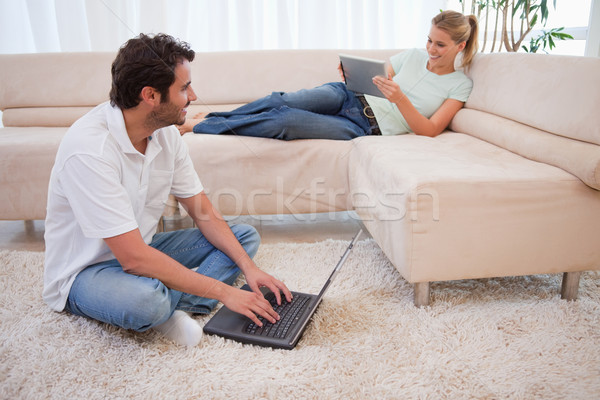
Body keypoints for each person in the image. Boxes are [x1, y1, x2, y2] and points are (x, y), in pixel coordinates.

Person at [42, 33, 292, 347]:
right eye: (184, 88)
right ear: (151, 95)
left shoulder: (164, 134)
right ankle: (165, 310)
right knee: (147, 301)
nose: (194, 96)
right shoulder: (90, 150)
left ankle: (169, 306)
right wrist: (225, 292)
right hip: (86, 271)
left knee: (243, 238)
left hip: (143, 248)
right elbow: (133, 259)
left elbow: (203, 212)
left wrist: (250, 269)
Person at [178, 10, 478, 140]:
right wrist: (354, 74)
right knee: (281, 99)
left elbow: (429, 130)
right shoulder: (412, 56)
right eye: (429, 40)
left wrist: (400, 100)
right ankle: (209, 118)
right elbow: (379, 76)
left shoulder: (459, 85)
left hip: (363, 127)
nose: (431, 49)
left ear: (460, 46)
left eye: (440, 44)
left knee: (285, 121)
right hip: (347, 94)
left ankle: (202, 126)